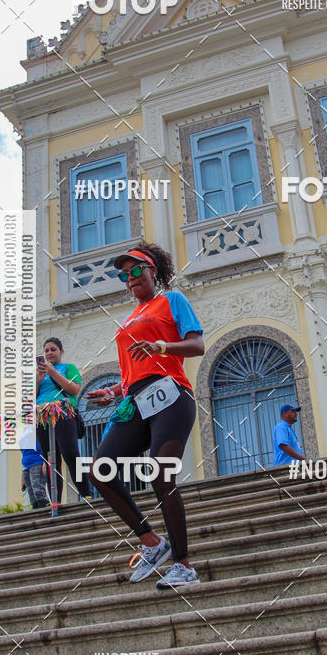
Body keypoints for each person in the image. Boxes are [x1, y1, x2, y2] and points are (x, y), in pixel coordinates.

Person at [86, 243, 204, 589]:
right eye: (124, 275)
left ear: (153, 271)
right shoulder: (126, 321)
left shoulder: (172, 300)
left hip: (171, 395)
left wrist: (162, 347)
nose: (130, 278)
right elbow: (131, 377)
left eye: (136, 270)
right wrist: (112, 392)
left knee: (160, 473)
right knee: (100, 469)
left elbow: (197, 345)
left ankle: (184, 566)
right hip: (136, 402)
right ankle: (152, 542)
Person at [35, 337, 91, 504]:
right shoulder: (40, 374)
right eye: (46, 350)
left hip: (63, 413)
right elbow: (30, 399)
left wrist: (53, 373)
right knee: (50, 459)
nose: (49, 353)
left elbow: (74, 390)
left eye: (53, 349)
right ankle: (55, 501)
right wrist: (37, 380)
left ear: (61, 351)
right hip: (42, 416)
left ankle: (86, 494)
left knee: (70, 453)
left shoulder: (68, 367)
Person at [19, 427, 49, 509]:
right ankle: (38, 513)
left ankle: (46, 511)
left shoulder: (37, 426)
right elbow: (23, 453)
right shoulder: (23, 431)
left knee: (38, 491)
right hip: (26, 466)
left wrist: (45, 462)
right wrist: (22, 474)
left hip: (37, 462)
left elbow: (46, 445)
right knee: (32, 496)